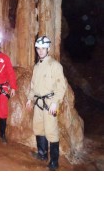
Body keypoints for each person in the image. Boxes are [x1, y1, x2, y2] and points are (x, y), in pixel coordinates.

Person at [26, 35, 67, 170]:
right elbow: (33, 85)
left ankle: (54, 161)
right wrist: (29, 98)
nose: (41, 51)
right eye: (38, 48)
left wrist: (56, 102)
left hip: (50, 103)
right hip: (38, 103)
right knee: (39, 128)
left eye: (43, 48)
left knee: (51, 131)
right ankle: (42, 154)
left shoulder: (55, 66)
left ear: (48, 48)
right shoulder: (36, 67)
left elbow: (61, 86)